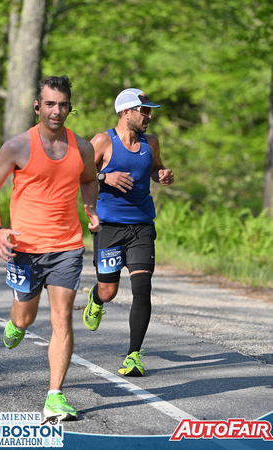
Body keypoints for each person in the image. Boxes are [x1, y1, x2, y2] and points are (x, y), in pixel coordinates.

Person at [0, 75, 100, 421]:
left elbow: (90, 179)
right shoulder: (17, 147)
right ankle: (16, 322)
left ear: (69, 108)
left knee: (63, 317)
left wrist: (90, 207)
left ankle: (55, 395)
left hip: (67, 246)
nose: (56, 111)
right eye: (50, 104)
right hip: (25, 247)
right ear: (38, 106)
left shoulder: (83, 148)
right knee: (26, 316)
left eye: (63, 105)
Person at [83, 88, 174, 377]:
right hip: (109, 227)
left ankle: (133, 355)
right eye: (144, 111)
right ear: (126, 112)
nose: (149, 117)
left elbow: (154, 168)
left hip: (142, 226)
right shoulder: (102, 141)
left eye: (150, 111)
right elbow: (77, 173)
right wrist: (103, 176)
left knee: (142, 289)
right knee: (109, 291)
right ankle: (96, 299)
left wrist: (162, 174)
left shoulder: (152, 142)